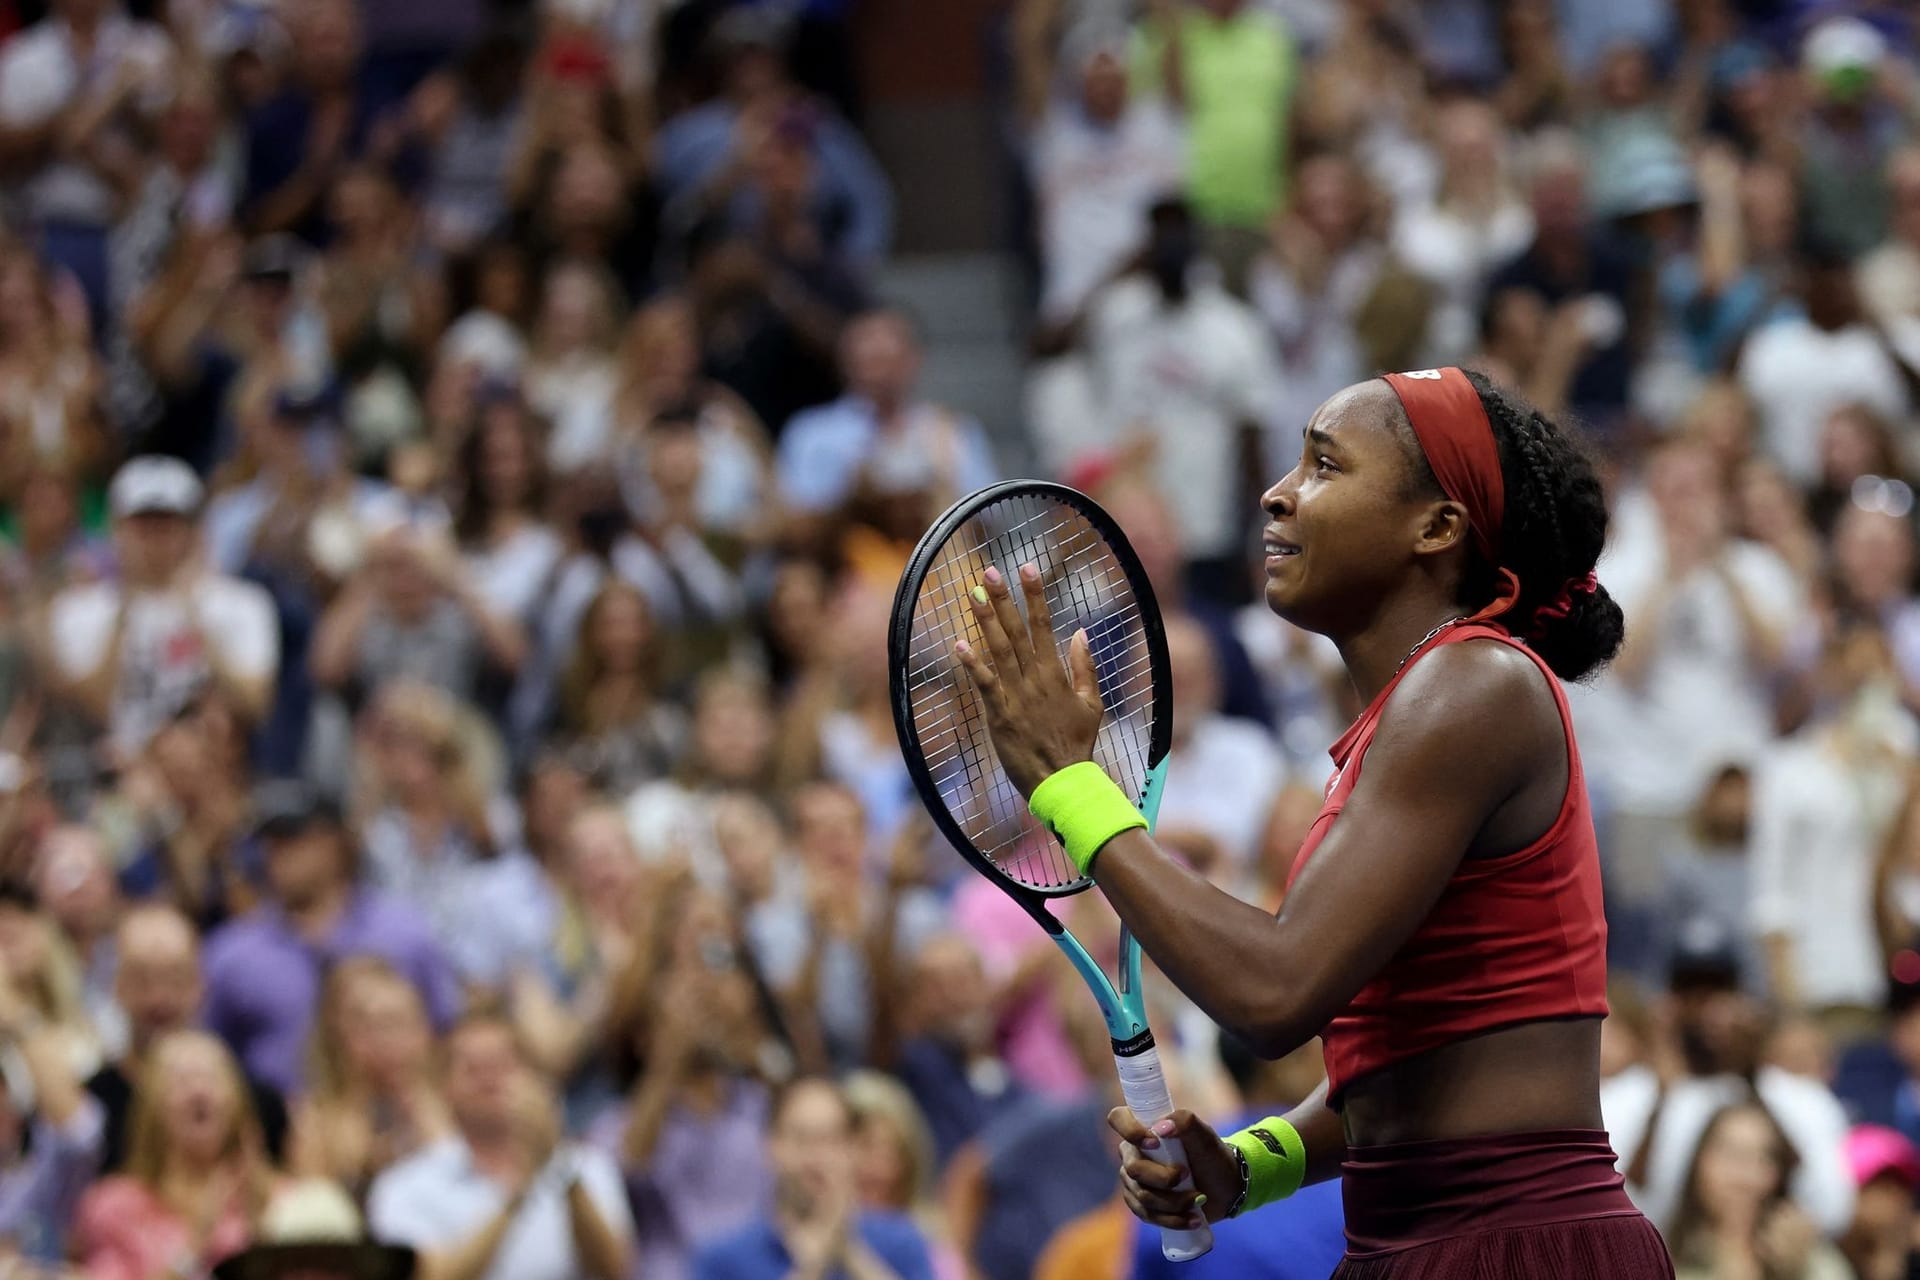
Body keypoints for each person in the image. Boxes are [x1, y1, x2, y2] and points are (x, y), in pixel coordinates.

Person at [950, 366, 1672, 1273]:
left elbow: (1275, 994)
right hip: (1419, 1244)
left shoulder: (1474, 686)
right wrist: (1253, 1165)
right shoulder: (1422, 711)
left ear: (1436, 527)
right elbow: (1420, 1059)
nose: (1277, 494)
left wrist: (1070, 784)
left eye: (1325, 467)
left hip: (1512, 1248)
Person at [201, 783, 461, 1096]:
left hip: (393, 1118)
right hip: (278, 1124)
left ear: (336, 841)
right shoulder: (232, 953)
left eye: (293, 838)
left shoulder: (403, 932)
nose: (277, 853)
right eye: (270, 842)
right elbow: (210, 1054)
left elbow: (446, 1031)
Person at [44, 455, 279, 766]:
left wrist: (194, 613)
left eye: (167, 525)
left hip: (206, 768)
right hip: (111, 770)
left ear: (193, 529)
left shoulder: (241, 603)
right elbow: (92, 710)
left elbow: (255, 705)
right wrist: (125, 609)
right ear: (116, 528)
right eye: (142, 525)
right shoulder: (78, 608)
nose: (154, 540)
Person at [366, 1011, 635, 1280]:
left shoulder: (588, 1166)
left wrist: (559, 1166)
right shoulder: (405, 1185)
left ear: (535, 1078)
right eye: (473, 1068)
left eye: (502, 1064)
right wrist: (518, 1194)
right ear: (443, 1086)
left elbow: (616, 1270)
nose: (489, 1079)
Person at [87, 903, 289, 1174]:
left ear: (200, 984)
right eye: (142, 979)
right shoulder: (91, 1108)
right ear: (117, 986)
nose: (158, 997)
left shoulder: (257, 1103)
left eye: (175, 978)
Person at [693, 1076, 934, 1280]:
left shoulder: (901, 1241)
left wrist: (851, 1252)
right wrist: (813, 1266)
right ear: (772, 1146)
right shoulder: (724, 1258)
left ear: (852, 1150)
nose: (818, 1158)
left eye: (831, 1139)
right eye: (803, 1139)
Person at [1665, 1101, 1852, 1280]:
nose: (1745, 1178)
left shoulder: (1808, 1255)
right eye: (1731, 1155)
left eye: (1763, 1158)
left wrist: (1794, 1272)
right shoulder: (1661, 1256)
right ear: (1698, 1164)